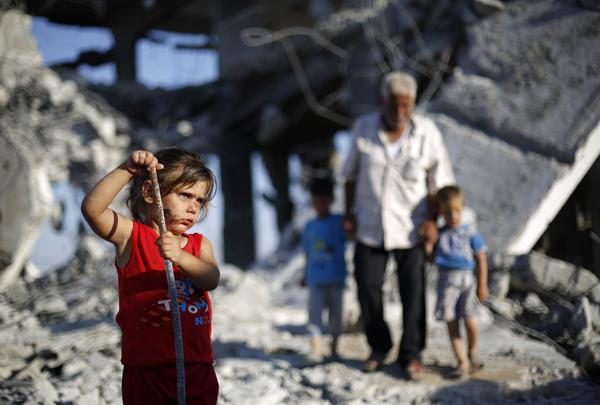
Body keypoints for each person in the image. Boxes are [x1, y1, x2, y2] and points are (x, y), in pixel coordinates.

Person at [81, 149, 220, 404]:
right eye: (185, 195)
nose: (193, 207)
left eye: (199, 200)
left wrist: (180, 256)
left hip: (196, 367)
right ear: (149, 193)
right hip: (145, 371)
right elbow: (93, 209)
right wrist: (127, 169)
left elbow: (211, 278)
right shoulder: (130, 237)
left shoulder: (199, 246)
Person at [342, 71, 455, 380]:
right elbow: (350, 175)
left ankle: (411, 354)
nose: (400, 112)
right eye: (394, 105)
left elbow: (440, 183)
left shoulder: (427, 133)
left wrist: (433, 221)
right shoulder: (364, 129)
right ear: (383, 102)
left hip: (412, 227)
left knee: (413, 293)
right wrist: (348, 213)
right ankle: (379, 347)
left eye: (406, 106)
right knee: (367, 287)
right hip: (369, 224)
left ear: (413, 104)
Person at [433, 185, 488, 379]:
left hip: (467, 280)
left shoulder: (470, 232)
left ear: (463, 208)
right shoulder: (439, 234)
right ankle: (462, 361)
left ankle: (472, 351)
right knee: (451, 321)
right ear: (441, 212)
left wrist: (482, 284)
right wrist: (427, 242)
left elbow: (481, 258)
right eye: (448, 212)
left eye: (457, 211)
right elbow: (430, 257)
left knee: (471, 319)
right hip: (446, 281)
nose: (453, 216)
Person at [301, 177, 347, 363]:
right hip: (315, 279)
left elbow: (351, 234)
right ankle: (316, 349)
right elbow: (307, 253)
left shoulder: (340, 222)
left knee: (336, 316)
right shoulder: (309, 226)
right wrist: (305, 275)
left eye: (323, 200)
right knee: (314, 315)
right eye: (316, 200)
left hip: (336, 277)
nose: (320, 204)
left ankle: (334, 349)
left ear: (331, 199)